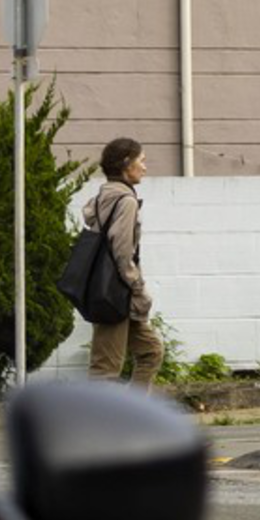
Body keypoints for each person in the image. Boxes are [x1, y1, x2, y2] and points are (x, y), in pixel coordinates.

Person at [81, 137, 166, 385]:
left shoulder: (102, 198)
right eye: (142, 161)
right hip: (116, 295)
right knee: (104, 372)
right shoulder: (125, 201)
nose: (145, 167)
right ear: (126, 164)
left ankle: (133, 417)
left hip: (108, 291)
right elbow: (121, 250)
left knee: (151, 351)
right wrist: (137, 286)